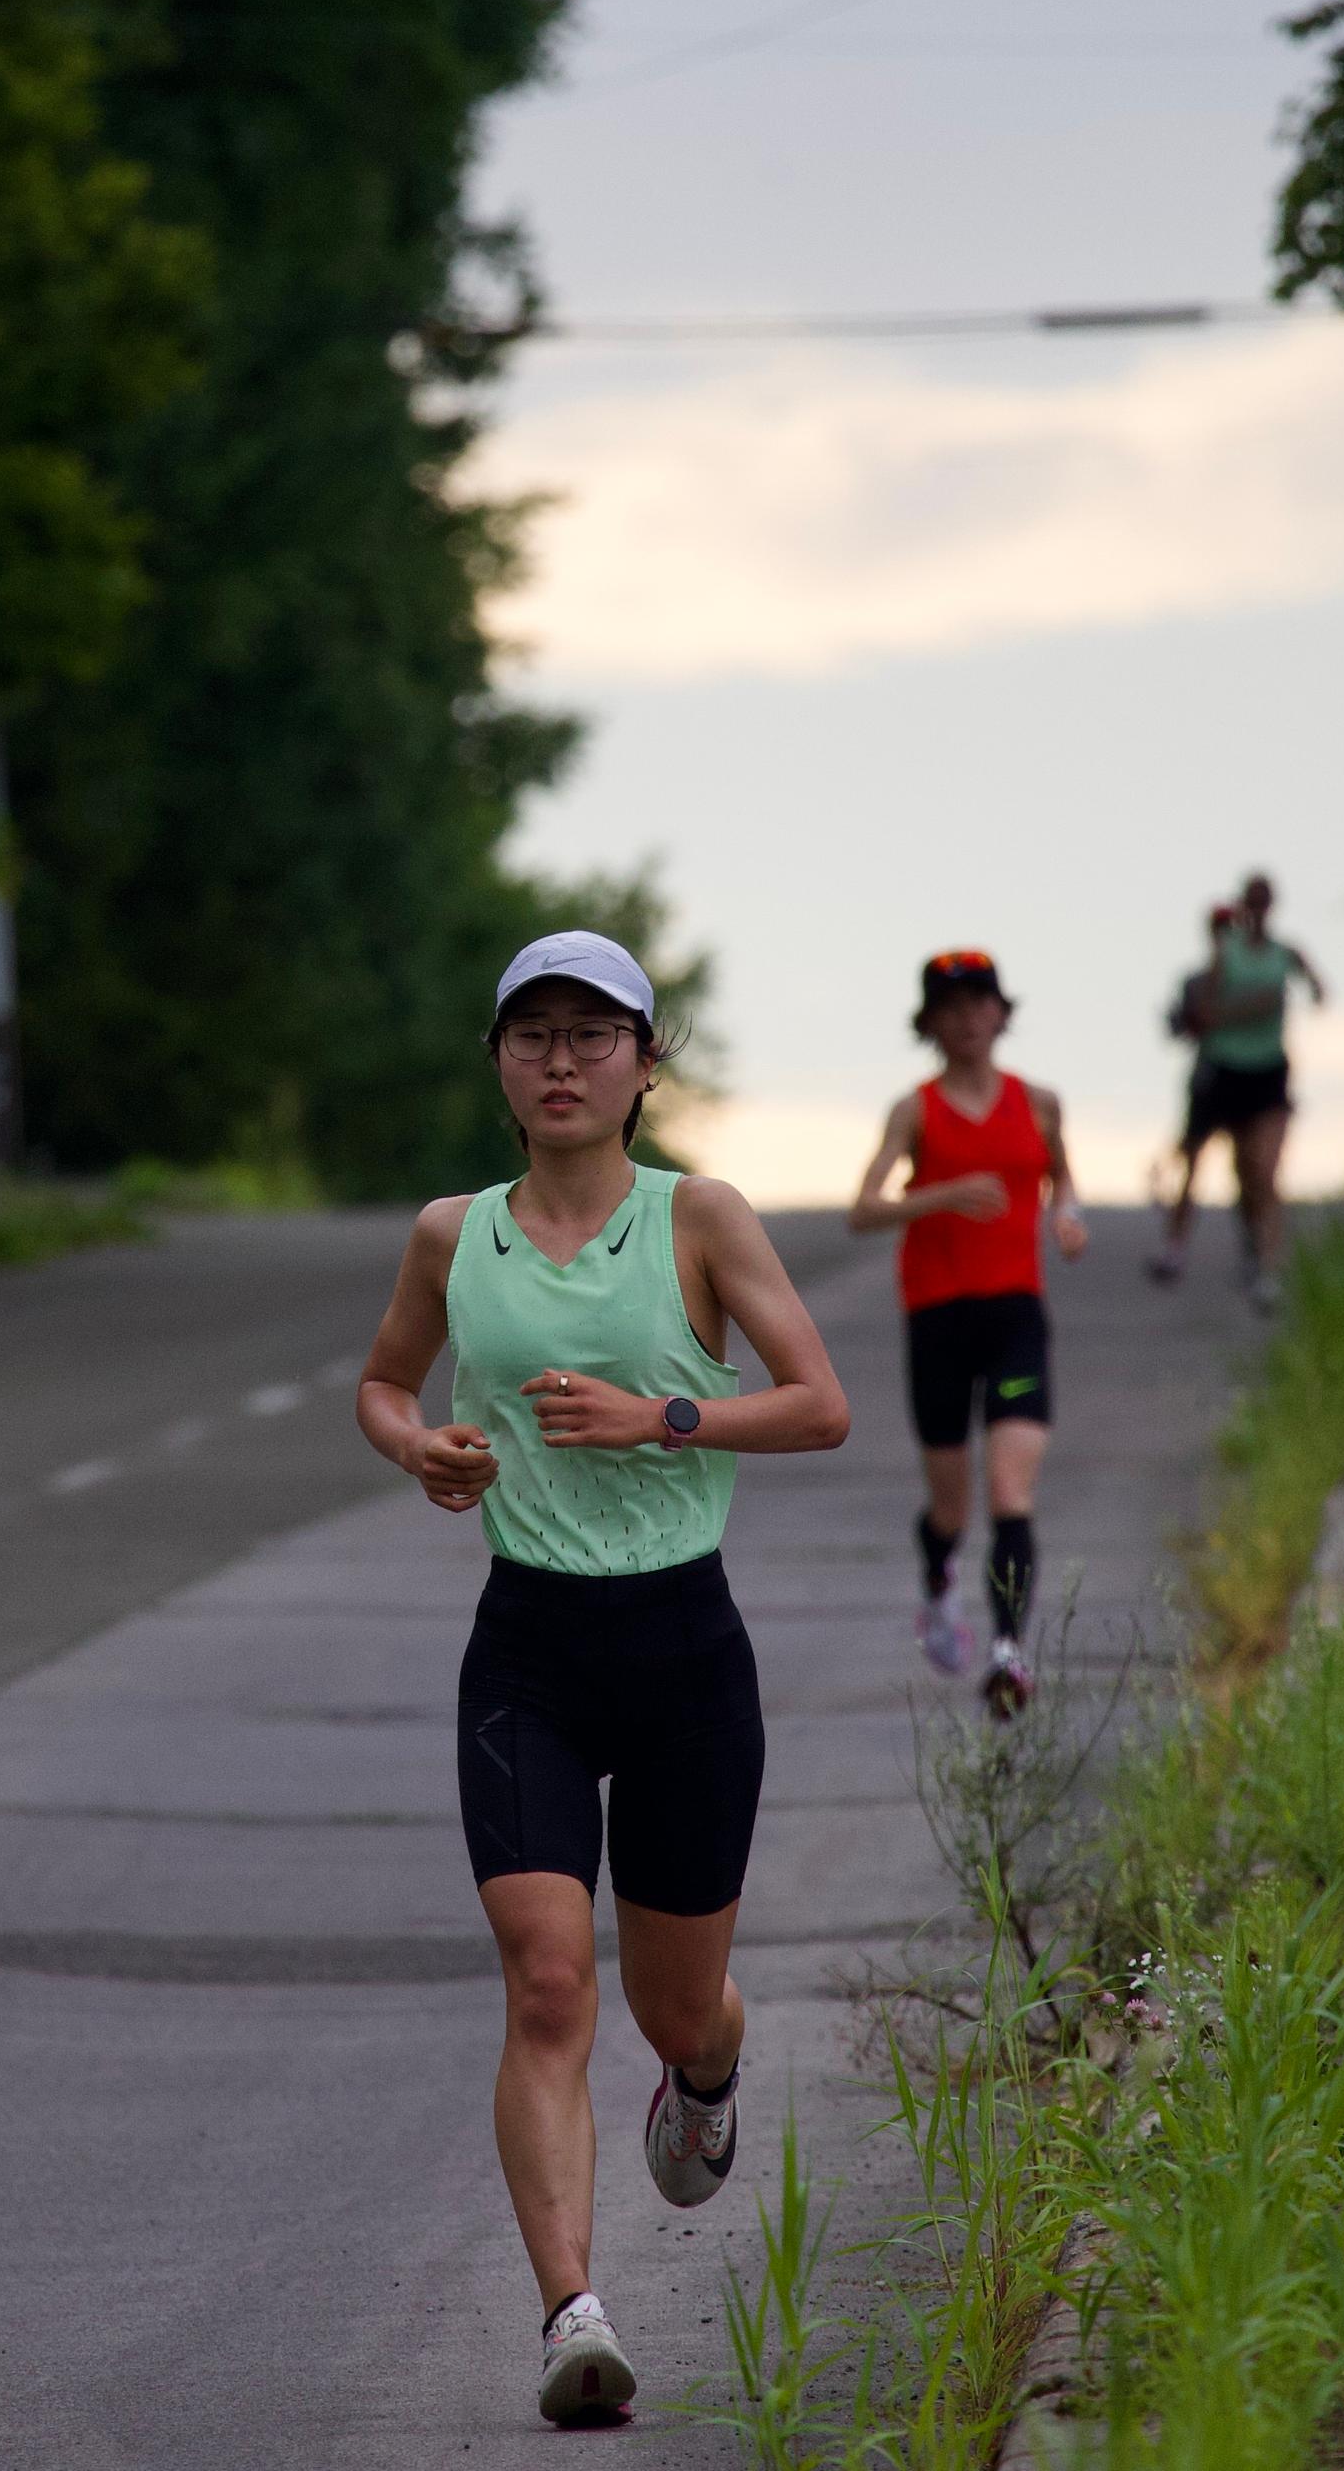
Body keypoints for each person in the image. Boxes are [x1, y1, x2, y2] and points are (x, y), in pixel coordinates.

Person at [355, 930, 851, 2430]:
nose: (561, 1062)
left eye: (594, 1035)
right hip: (531, 1651)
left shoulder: (695, 1216)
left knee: (672, 2008)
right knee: (549, 1980)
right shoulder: (456, 1234)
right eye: (533, 1037)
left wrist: (663, 1421)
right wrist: (417, 1445)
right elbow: (384, 1380)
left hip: (685, 1649)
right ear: (499, 1065)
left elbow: (820, 1406)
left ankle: (705, 2076)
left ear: (645, 1060)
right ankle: (573, 2311)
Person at [848, 950, 1085, 1719]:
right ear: (930, 1025)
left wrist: (1066, 1215)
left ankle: (1009, 1652)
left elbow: (1061, 1179)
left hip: (1015, 1314)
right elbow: (864, 1210)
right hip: (938, 1317)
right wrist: (940, 1193)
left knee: (1011, 1490)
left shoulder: (1041, 1103)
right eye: (949, 1009)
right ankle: (939, 1582)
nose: (967, 1020)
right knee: (951, 1509)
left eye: (980, 1004)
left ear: (1002, 1015)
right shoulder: (914, 1111)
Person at [1166, 873, 1324, 1311]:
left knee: (1263, 1173)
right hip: (1225, 1071)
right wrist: (1255, 1008)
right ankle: (1179, 1247)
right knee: (1215, 1164)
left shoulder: (1285, 953)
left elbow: (1319, 990)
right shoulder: (1225, 954)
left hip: (1268, 1074)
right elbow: (1205, 1013)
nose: (1257, 912)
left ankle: (1268, 1267)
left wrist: (1297, 991)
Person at [1148, 903, 1240, 1287]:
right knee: (1192, 1165)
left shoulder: (1258, 975)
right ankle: (1175, 1248)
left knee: (1254, 1171)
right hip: (1209, 1079)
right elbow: (1177, 1027)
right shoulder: (1197, 982)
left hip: (1251, 1084)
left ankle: (1258, 1254)